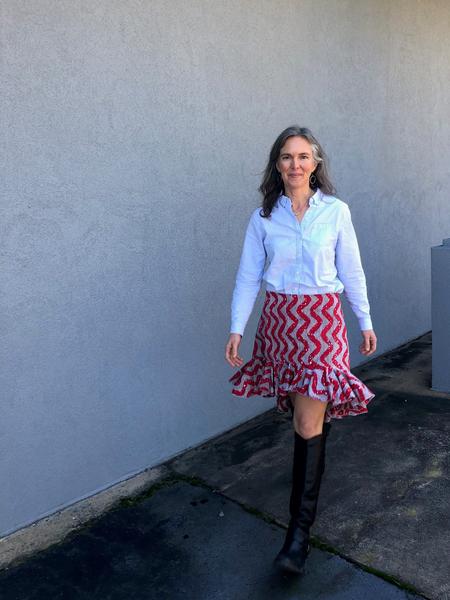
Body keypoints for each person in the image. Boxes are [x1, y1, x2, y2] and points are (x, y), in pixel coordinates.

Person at [224, 125, 377, 575]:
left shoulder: (335, 212)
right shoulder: (264, 217)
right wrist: (238, 327)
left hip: (322, 322)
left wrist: (364, 319)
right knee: (304, 417)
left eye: (304, 157)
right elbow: (249, 275)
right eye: (287, 157)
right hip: (280, 323)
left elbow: (352, 269)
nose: (295, 164)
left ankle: (297, 536)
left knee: (308, 419)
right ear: (277, 164)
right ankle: (312, 464)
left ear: (316, 163)